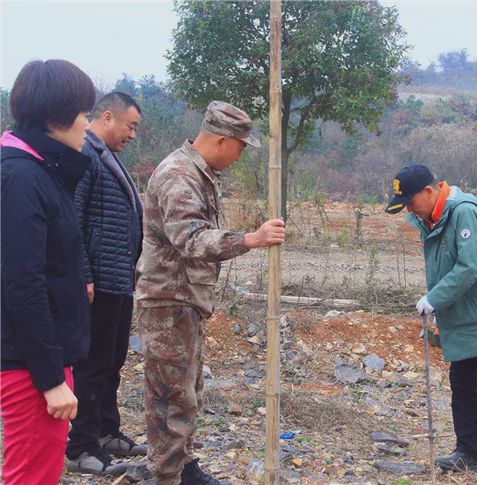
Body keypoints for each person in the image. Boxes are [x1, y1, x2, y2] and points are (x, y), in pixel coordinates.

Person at [135, 100, 285, 485]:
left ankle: (182, 466)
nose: (239, 157)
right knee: (171, 396)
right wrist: (250, 239)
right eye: (239, 147)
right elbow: (190, 238)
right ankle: (166, 475)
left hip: (185, 300)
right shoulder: (179, 176)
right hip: (169, 301)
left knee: (187, 390)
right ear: (221, 140)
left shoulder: (199, 174)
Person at [384, 165, 477, 484]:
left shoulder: (463, 212)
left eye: (410, 202)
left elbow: (469, 267)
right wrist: (437, 311)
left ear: (429, 191)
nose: (408, 209)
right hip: (458, 318)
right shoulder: (429, 218)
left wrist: (434, 298)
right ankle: (468, 451)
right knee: (462, 389)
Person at [0, 59, 95, 485]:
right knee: (31, 475)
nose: (88, 126)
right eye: (84, 113)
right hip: (28, 363)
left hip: (42, 355)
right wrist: (50, 379)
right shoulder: (21, 177)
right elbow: (21, 283)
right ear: (56, 117)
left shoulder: (41, 171)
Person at [66, 92, 145, 475]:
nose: (132, 134)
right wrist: (83, 273)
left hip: (118, 280)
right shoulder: (86, 155)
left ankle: (105, 431)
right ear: (108, 117)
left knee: (112, 362)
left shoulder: (108, 158)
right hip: (97, 281)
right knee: (92, 366)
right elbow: (72, 221)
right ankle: (79, 446)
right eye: (130, 126)